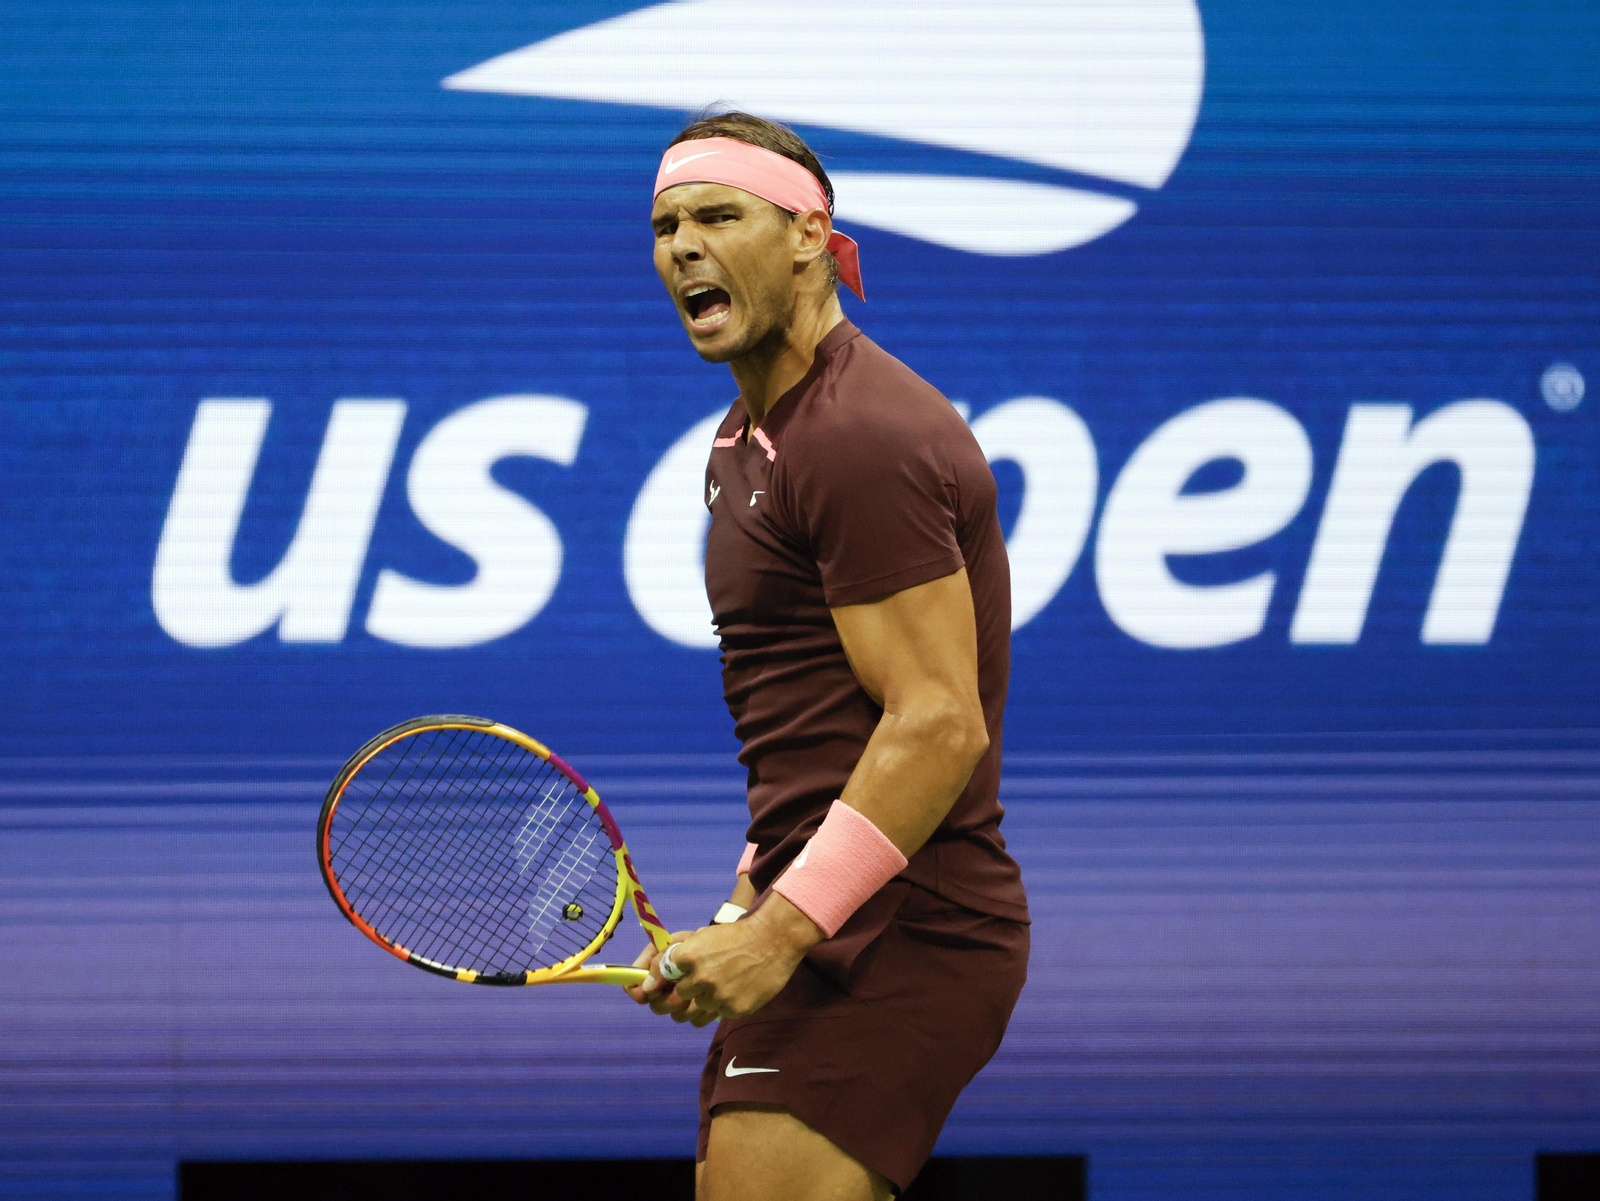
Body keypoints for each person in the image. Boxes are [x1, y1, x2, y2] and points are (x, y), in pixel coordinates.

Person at [626, 111, 1030, 1201]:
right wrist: (745, 909)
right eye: (665, 226)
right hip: (830, 920)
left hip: (906, 930)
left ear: (810, 234)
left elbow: (937, 720)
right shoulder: (745, 441)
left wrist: (778, 933)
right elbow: (816, 729)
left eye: (718, 214)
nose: (684, 248)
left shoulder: (860, 436)